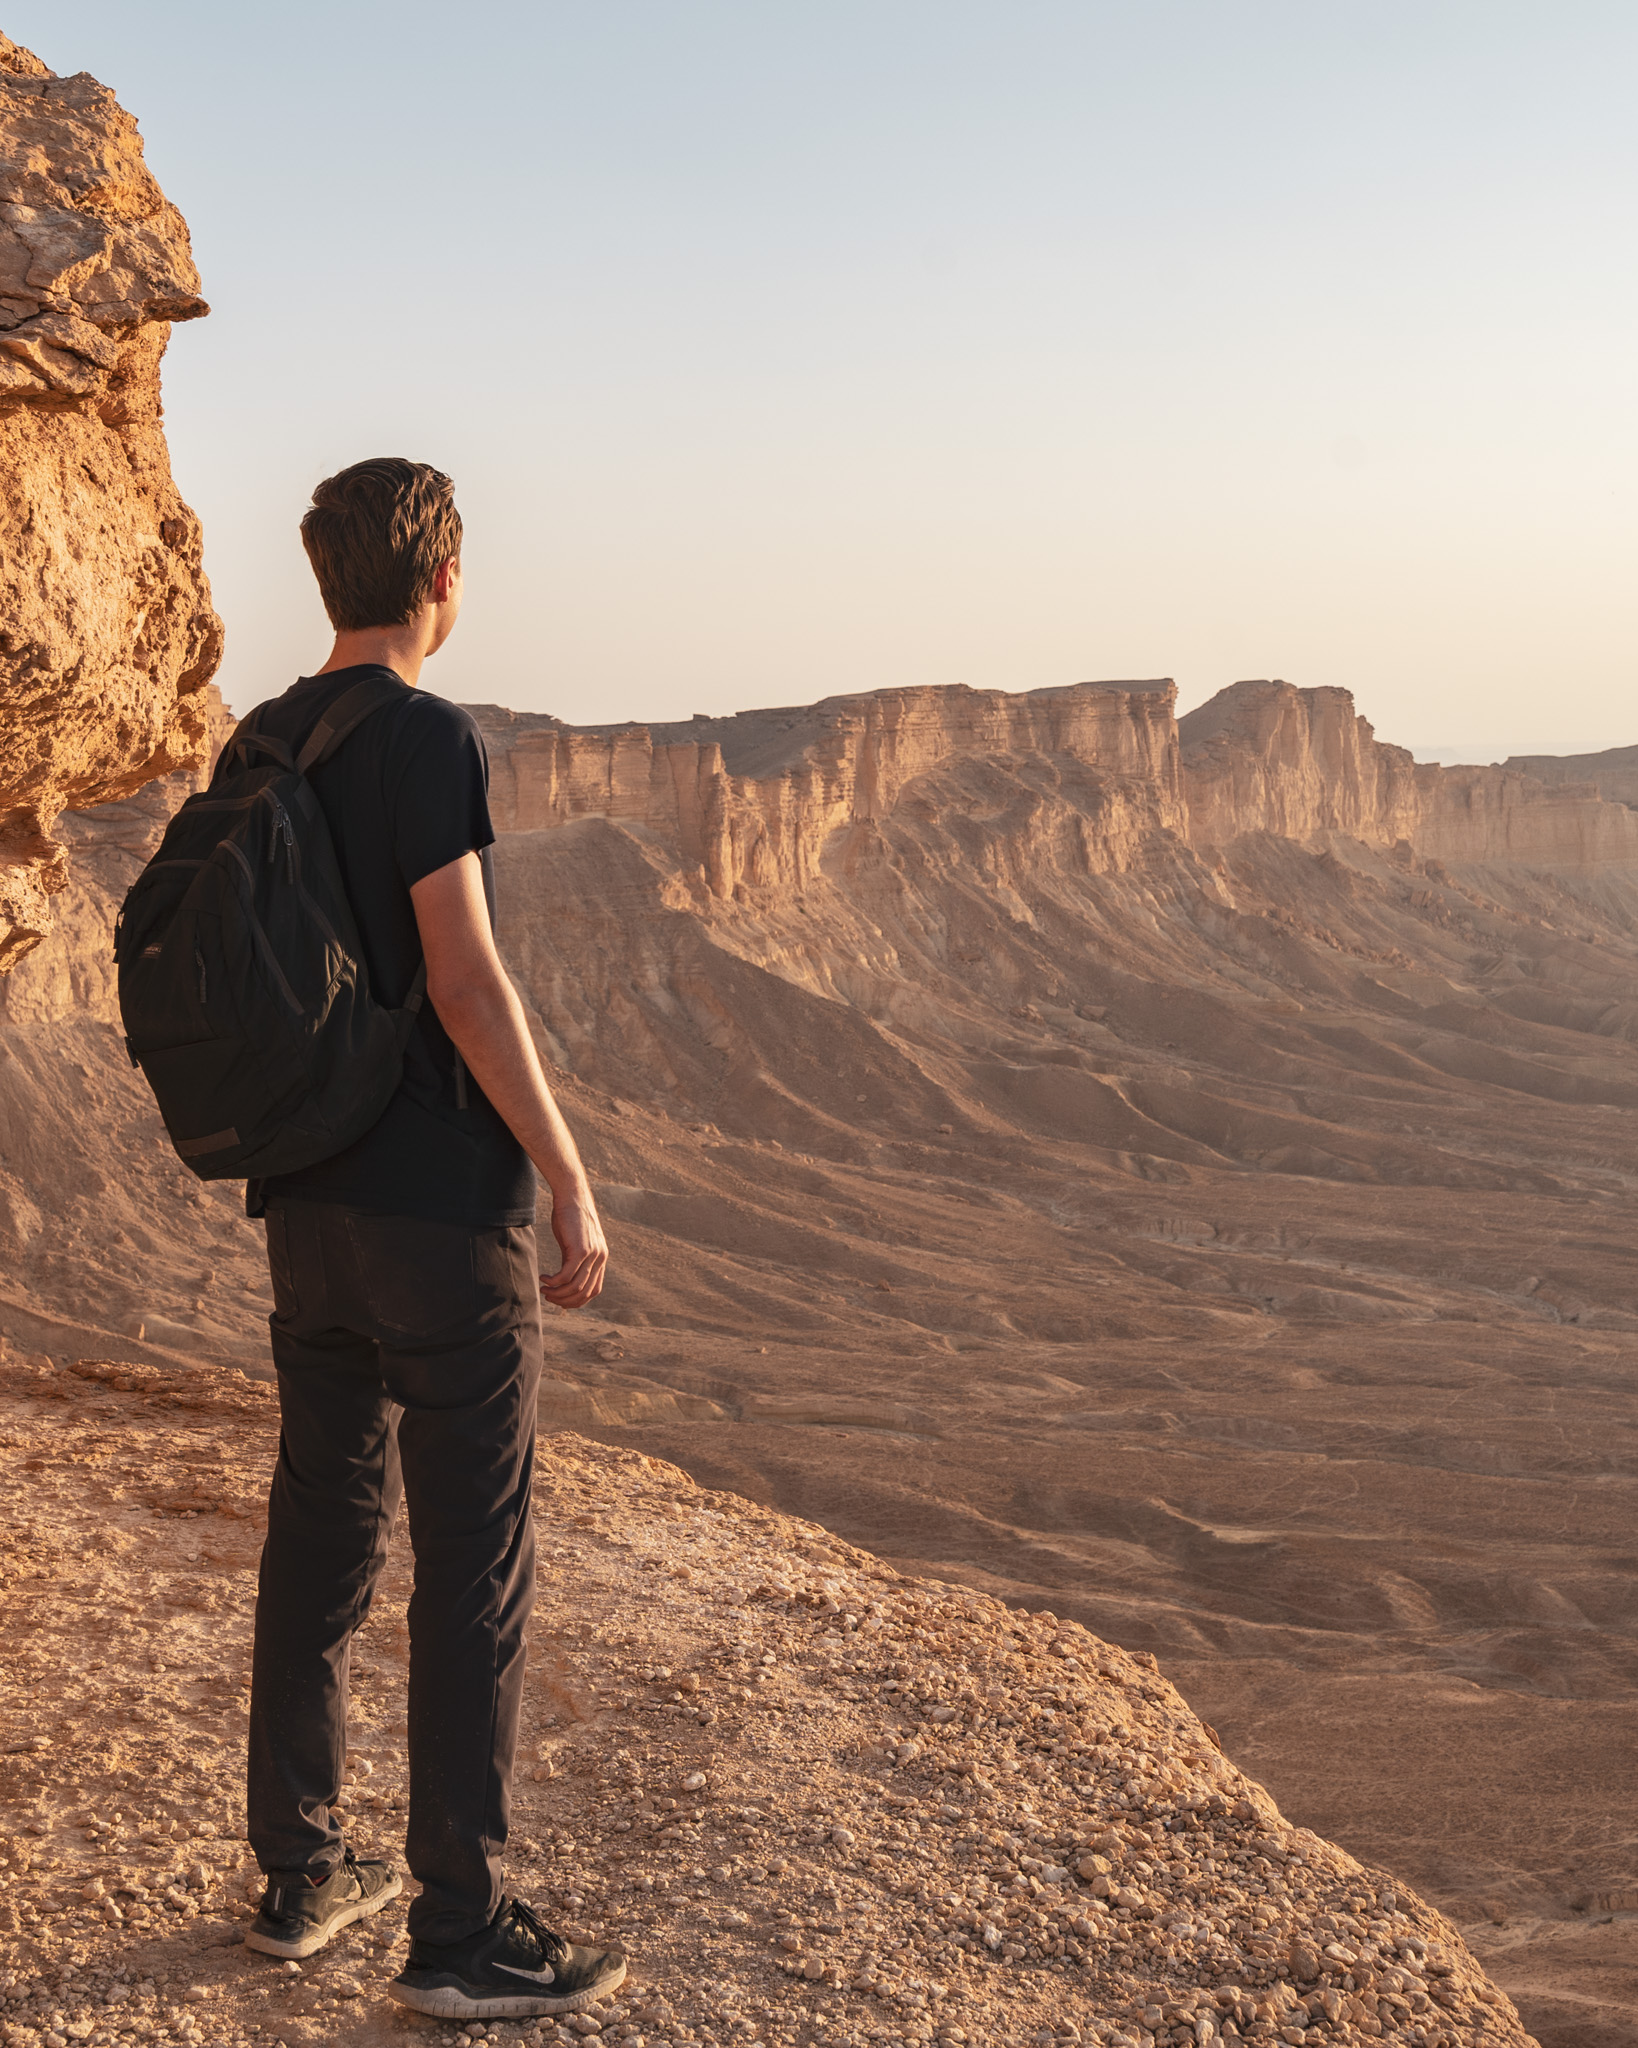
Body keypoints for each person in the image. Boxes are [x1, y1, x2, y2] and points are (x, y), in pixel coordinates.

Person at [239, 457, 626, 2022]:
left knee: (319, 1531)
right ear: (442, 583)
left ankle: (300, 1875)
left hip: (305, 1207)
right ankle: (461, 1932)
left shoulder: (265, 736)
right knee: (473, 1567)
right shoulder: (424, 734)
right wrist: (568, 1170)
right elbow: (465, 981)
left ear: (325, 578)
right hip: (437, 1220)